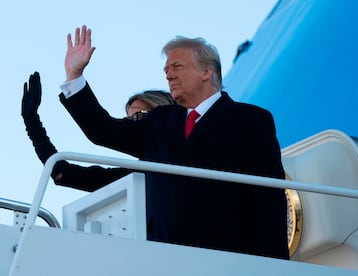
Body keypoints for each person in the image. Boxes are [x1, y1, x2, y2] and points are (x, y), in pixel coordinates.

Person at [59, 25, 288, 259]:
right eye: (166, 69)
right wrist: (74, 77)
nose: (168, 74)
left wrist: (278, 267)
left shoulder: (251, 120)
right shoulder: (159, 121)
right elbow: (103, 132)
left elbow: (268, 200)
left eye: (177, 66)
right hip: (165, 260)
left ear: (206, 72)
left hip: (229, 259)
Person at [22, 71, 175, 192]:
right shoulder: (137, 177)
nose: (133, 124)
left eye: (140, 115)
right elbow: (62, 173)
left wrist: (74, 76)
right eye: (128, 119)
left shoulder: (188, 147)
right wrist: (31, 120)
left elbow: (102, 129)